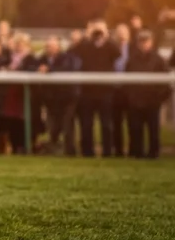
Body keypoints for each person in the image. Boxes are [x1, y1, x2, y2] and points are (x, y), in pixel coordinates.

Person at [71, 20, 120, 157]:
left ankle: (107, 152)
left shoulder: (110, 45)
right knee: (87, 124)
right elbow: (73, 51)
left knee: (106, 124)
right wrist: (87, 36)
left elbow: (118, 53)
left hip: (105, 91)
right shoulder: (86, 45)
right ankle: (87, 152)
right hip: (88, 91)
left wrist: (106, 36)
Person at [124, 31, 171, 159]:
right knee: (136, 129)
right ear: (138, 43)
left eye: (146, 41)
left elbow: (165, 81)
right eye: (141, 41)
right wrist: (130, 97)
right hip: (136, 101)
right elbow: (126, 80)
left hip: (152, 101)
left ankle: (153, 153)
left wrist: (160, 98)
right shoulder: (132, 60)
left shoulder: (158, 59)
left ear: (151, 42)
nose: (144, 44)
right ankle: (137, 152)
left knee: (153, 129)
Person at [37, 36, 79, 155]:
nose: (48, 48)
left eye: (51, 46)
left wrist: (49, 69)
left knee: (67, 126)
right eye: (47, 46)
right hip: (51, 99)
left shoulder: (67, 57)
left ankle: (70, 152)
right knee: (53, 127)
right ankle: (55, 150)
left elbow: (66, 69)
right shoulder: (43, 58)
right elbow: (33, 66)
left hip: (67, 97)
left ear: (58, 47)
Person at [110, 24, 132, 156]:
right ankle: (118, 150)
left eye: (124, 32)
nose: (121, 35)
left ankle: (133, 149)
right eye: (119, 32)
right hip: (114, 89)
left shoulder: (132, 49)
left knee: (132, 122)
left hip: (129, 89)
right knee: (116, 121)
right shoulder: (111, 49)